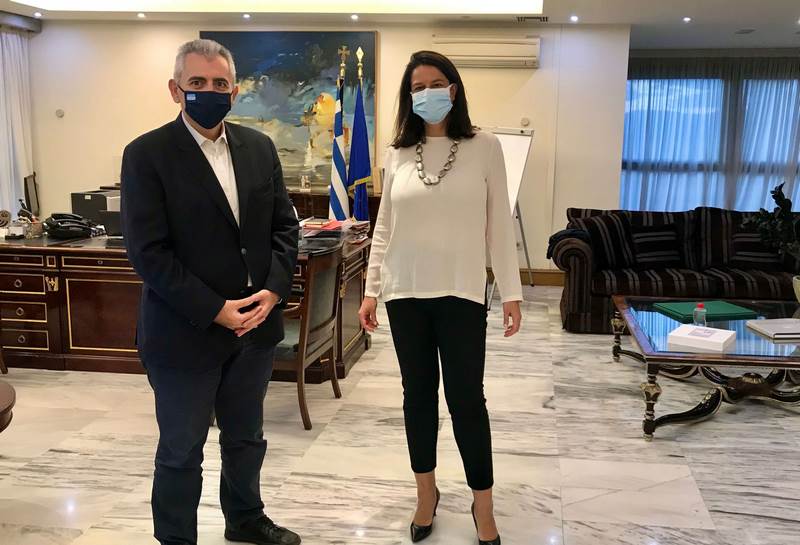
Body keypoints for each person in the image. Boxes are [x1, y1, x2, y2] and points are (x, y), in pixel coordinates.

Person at [121, 39, 301, 545]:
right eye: (197, 83)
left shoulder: (259, 148)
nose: (209, 91)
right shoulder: (147, 155)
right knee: (182, 450)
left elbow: (285, 229)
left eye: (220, 83)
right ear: (175, 90)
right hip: (184, 332)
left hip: (254, 329)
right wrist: (215, 309)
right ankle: (176, 538)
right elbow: (148, 252)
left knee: (246, 438)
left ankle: (245, 519)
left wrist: (272, 292)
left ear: (235, 92)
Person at [358, 50, 523, 545]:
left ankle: (483, 504)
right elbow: (384, 227)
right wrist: (370, 289)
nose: (426, 93)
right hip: (405, 292)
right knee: (418, 398)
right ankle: (425, 493)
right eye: (417, 87)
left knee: (467, 400)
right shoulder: (397, 153)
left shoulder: (485, 146)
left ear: (453, 89)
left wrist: (511, 292)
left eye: (435, 84)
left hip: (462, 292)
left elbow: (498, 225)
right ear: (409, 97)